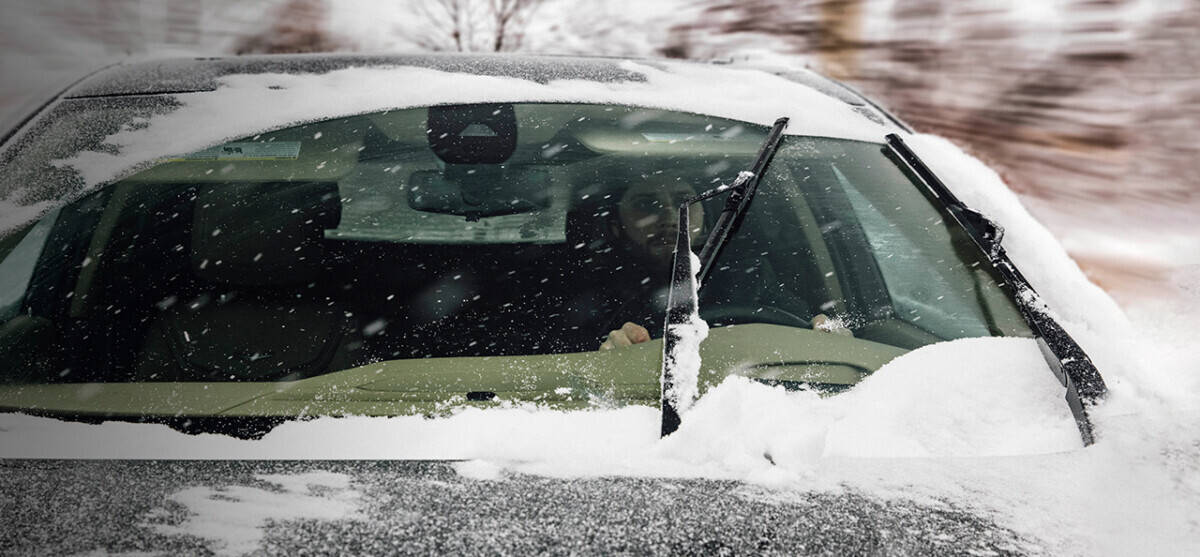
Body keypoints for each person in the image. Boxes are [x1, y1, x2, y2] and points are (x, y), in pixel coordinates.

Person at [593, 179, 851, 350]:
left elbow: (803, 327)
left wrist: (827, 334)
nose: (671, 218)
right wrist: (606, 355)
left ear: (707, 221)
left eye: (685, 203)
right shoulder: (589, 291)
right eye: (646, 204)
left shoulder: (750, 274)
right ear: (615, 225)